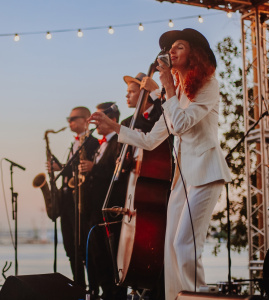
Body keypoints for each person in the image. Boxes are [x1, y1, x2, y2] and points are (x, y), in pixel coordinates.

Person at [89, 29, 232, 300]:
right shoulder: (175, 94)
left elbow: (180, 125)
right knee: (171, 249)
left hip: (206, 173)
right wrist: (116, 127)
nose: (172, 51)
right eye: (170, 48)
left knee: (185, 247)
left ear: (195, 55)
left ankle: (197, 298)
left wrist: (166, 88)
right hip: (182, 179)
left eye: (179, 46)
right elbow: (152, 139)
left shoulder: (208, 85)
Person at [47, 106, 99, 288]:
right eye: (68, 118)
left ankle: (92, 290)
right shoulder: (74, 144)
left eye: (73, 118)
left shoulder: (93, 143)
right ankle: (78, 287)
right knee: (71, 249)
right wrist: (59, 167)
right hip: (68, 202)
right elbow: (72, 168)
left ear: (86, 120)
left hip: (82, 202)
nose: (70, 122)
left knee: (85, 250)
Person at [79, 102, 127, 300]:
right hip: (94, 211)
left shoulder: (119, 141)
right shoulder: (100, 145)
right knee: (98, 260)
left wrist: (93, 168)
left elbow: (117, 175)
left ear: (113, 119)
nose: (96, 124)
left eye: (100, 118)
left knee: (111, 260)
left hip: (110, 210)